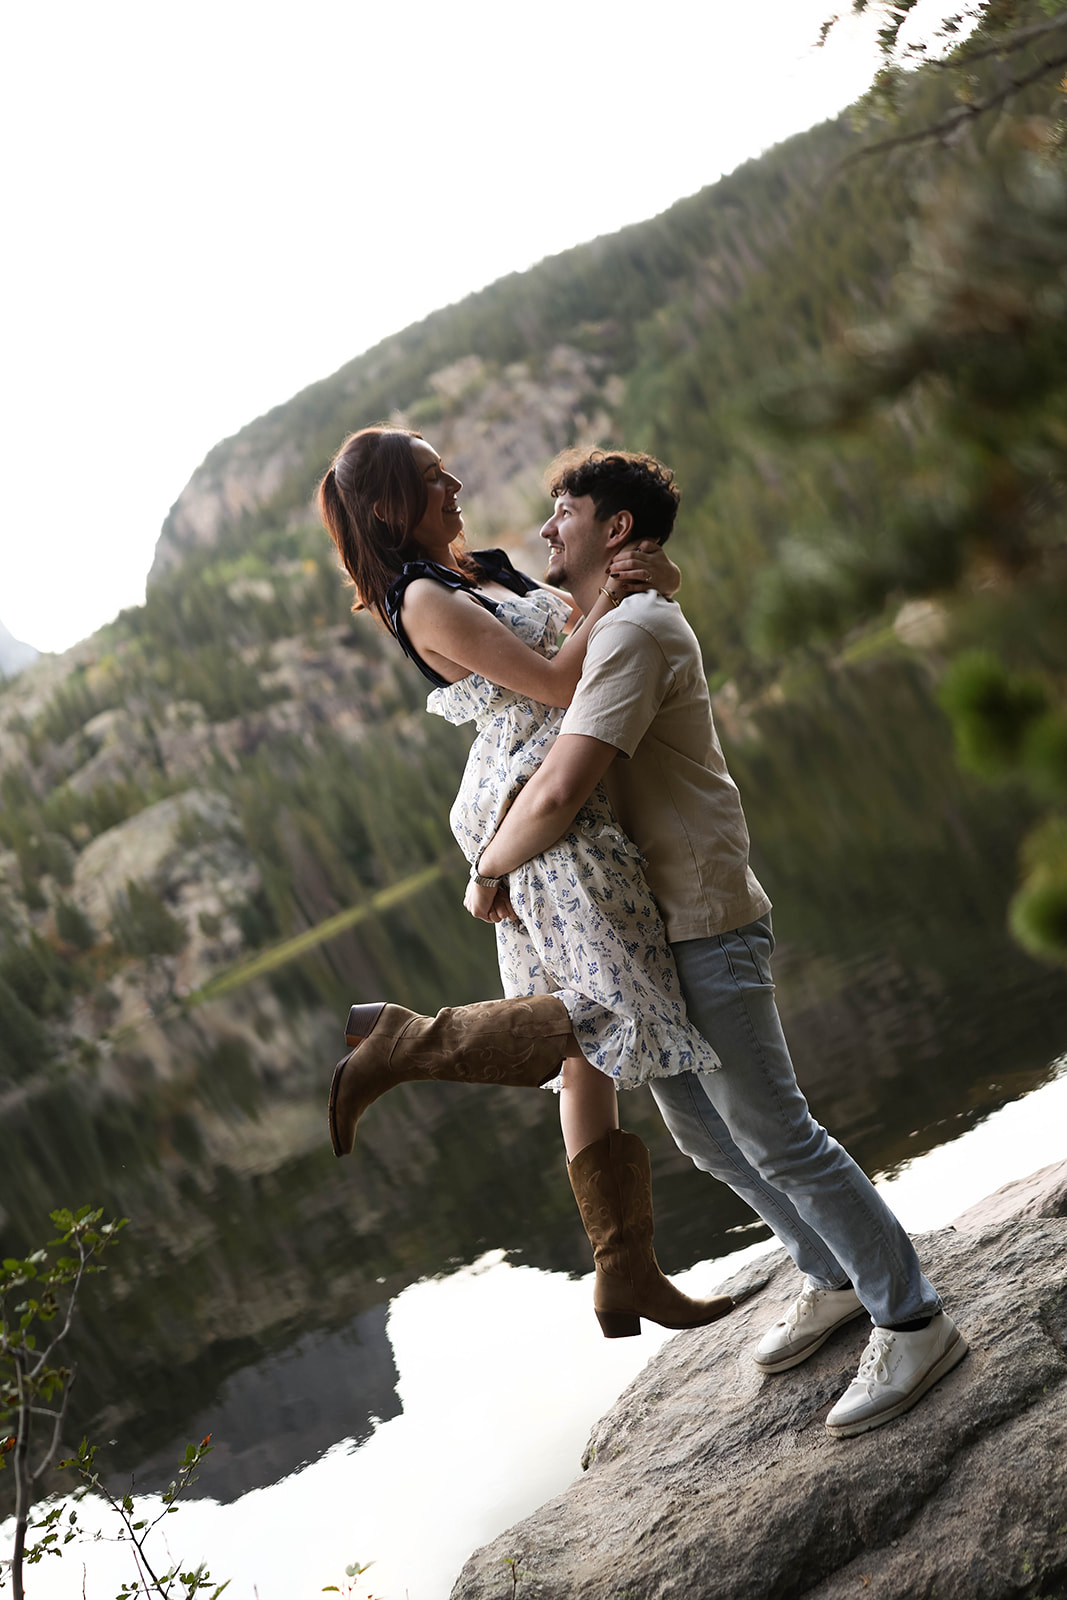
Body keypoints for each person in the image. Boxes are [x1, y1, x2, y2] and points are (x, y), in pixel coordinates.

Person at [464, 444, 969, 1438]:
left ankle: (911, 1317)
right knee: (704, 1133)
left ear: (614, 531)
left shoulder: (637, 631)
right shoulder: (610, 620)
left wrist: (487, 870)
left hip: (703, 919)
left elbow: (561, 788)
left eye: (559, 513)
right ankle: (827, 1276)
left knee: (775, 1131)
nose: (540, 532)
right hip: (650, 935)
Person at [318, 425, 735, 1340]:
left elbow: (592, 626)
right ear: (390, 505)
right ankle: (406, 1046)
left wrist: (638, 582)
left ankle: (623, 1270)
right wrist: (615, 600)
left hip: (553, 801)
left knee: (582, 1044)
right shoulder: (423, 599)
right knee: (602, 1012)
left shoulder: (483, 570)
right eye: (434, 478)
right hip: (539, 807)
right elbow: (554, 681)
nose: (455, 483)